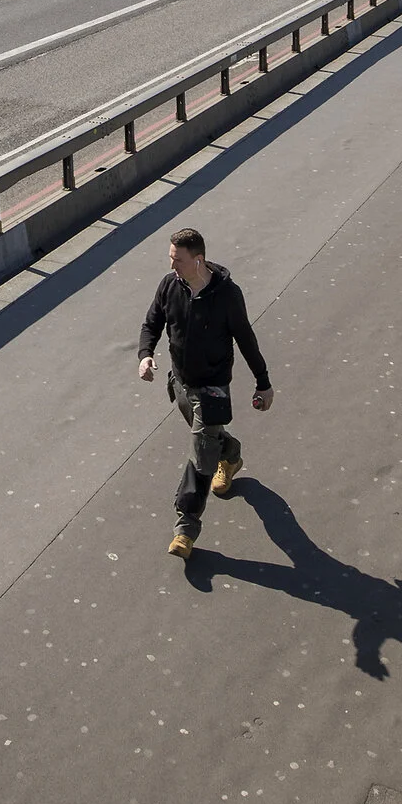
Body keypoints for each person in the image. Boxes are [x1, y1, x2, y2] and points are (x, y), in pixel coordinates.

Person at [137, 228, 273, 558]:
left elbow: (245, 338)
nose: (172, 266)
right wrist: (145, 354)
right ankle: (231, 453)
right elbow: (152, 322)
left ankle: (185, 527)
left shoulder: (227, 295)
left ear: (198, 260)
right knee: (209, 442)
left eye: (178, 260)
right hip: (182, 382)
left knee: (201, 453)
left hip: (212, 387)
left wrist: (263, 381)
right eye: (171, 258)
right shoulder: (170, 286)